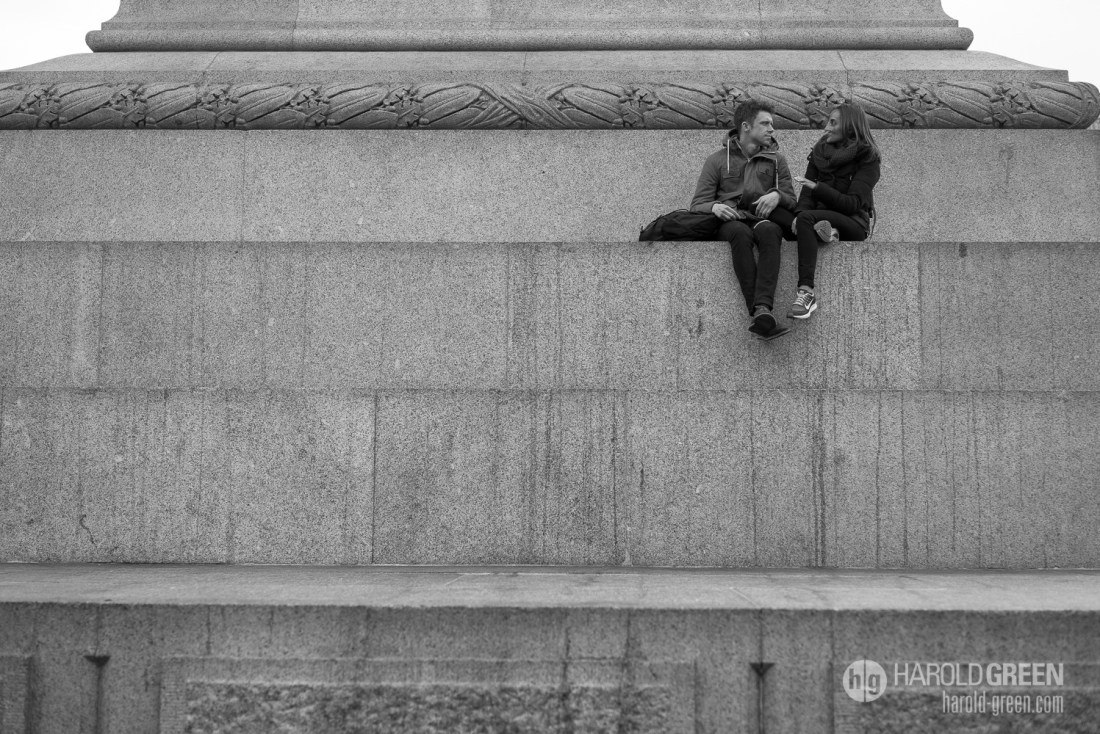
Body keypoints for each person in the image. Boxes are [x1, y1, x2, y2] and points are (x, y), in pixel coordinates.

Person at [690, 101, 797, 340]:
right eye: (765, 123)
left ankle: (763, 309)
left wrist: (777, 195)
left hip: (761, 219)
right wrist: (715, 207)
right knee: (740, 232)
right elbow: (697, 205)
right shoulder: (717, 160)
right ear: (746, 126)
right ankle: (759, 310)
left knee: (770, 231)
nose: (772, 129)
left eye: (772, 124)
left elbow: (792, 199)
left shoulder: (776, 160)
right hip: (730, 222)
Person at [789, 102, 882, 319]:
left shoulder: (868, 159)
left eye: (833, 123)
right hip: (820, 217)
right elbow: (805, 197)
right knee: (788, 219)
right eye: (827, 122)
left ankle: (806, 293)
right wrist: (796, 215)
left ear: (849, 127)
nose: (826, 128)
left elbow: (852, 204)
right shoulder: (819, 153)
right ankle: (829, 232)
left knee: (807, 219)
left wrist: (818, 188)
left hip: (853, 222)